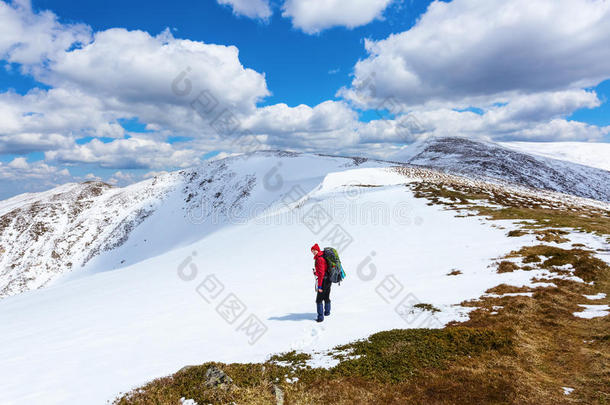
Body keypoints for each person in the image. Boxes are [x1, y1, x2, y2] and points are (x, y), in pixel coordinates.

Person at [311, 243, 331, 322]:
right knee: (326, 297)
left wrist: (319, 286)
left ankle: (320, 318)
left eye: (314, 250)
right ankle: (327, 312)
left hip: (323, 281)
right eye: (312, 251)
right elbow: (322, 271)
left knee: (318, 300)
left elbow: (321, 274)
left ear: (317, 249)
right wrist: (316, 273)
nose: (313, 252)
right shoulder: (322, 256)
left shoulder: (319, 259)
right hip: (328, 279)